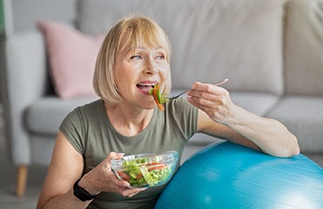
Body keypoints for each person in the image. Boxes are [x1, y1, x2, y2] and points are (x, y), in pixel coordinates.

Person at [37, 16, 300, 209]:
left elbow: (288, 146)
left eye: (160, 56)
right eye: (136, 57)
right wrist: (91, 185)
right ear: (110, 69)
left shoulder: (180, 111)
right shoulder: (80, 124)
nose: (153, 68)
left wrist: (231, 114)